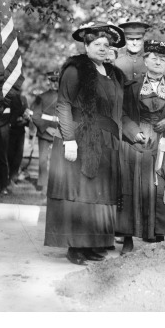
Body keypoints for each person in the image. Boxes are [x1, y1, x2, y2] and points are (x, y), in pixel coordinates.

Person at [44, 21, 137, 265]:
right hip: (82, 138)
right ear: (86, 46)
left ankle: (93, 244)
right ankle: (76, 248)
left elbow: (119, 112)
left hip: (108, 141)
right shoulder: (75, 70)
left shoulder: (115, 74)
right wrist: (69, 140)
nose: (103, 48)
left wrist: (133, 133)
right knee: (82, 194)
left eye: (106, 45)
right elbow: (63, 104)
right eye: (97, 44)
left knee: (101, 194)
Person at [117, 40, 165, 254]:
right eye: (154, 57)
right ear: (145, 60)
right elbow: (121, 113)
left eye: (162, 59)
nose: (158, 62)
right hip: (136, 142)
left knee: (159, 188)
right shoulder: (132, 87)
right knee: (132, 187)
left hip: (163, 145)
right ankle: (128, 237)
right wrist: (133, 132)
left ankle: (157, 235)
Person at [31, 71, 60, 193]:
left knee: (57, 160)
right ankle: (42, 184)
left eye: (57, 81)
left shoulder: (66, 98)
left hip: (60, 133)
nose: (55, 84)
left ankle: (56, 185)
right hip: (44, 132)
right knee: (43, 159)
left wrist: (59, 130)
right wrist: (47, 128)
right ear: (49, 81)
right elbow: (35, 116)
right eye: (52, 81)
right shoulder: (41, 97)